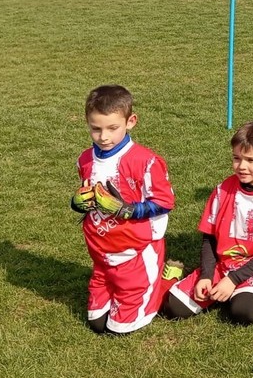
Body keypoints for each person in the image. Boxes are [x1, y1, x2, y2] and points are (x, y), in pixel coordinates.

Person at [71, 84, 177, 335]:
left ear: (131, 122)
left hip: (135, 252)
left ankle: (168, 279)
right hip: (101, 252)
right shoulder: (85, 159)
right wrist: (77, 203)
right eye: (96, 129)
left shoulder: (146, 161)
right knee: (97, 324)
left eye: (112, 128)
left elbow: (165, 202)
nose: (103, 137)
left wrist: (127, 210)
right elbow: (85, 194)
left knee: (118, 330)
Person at [162, 121, 253, 326]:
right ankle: (196, 282)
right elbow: (209, 239)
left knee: (245, 312)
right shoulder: (222, 191)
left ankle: (246, 293)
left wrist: (233, 280)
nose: (242, 166)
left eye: (251, 160)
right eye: (237, 158)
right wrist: (206, 275)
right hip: (223, 265)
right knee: (173, 308)